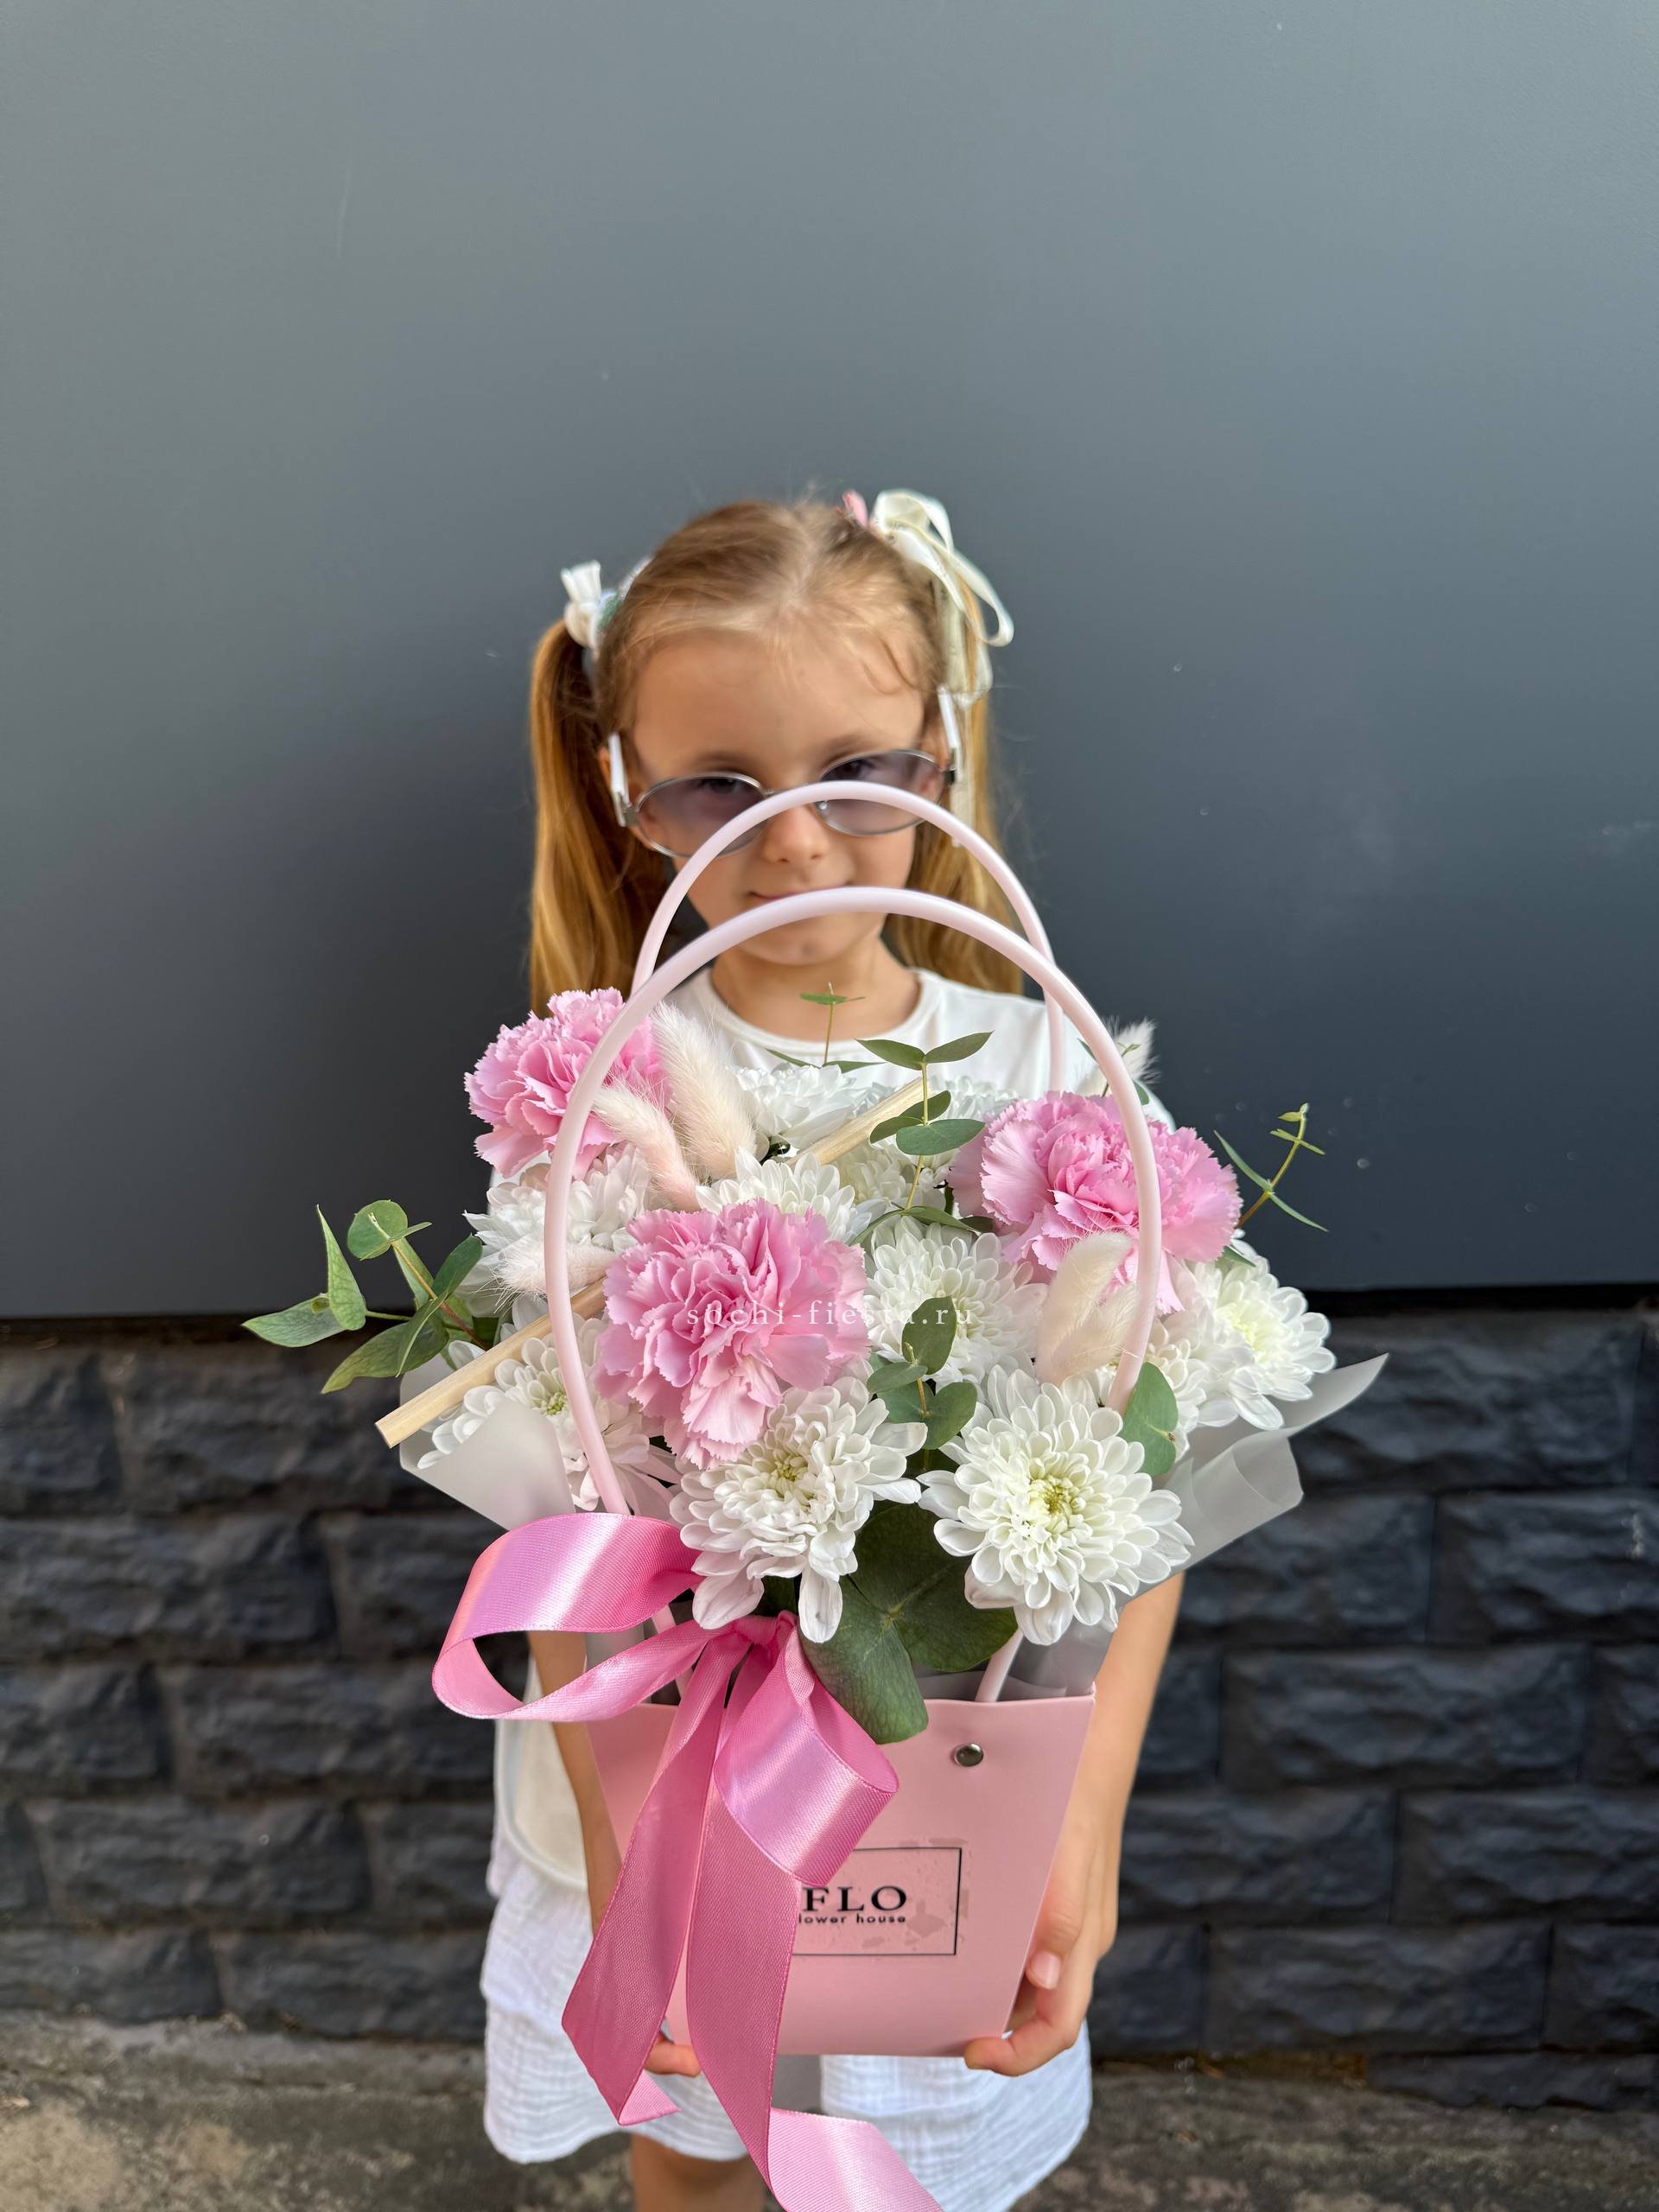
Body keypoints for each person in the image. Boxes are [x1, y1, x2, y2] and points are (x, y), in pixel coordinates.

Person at [475, 488, 1185, 2212]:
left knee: (926, 2159)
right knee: (696, 2160)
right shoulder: (609, 1093)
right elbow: (563, 1506)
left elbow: (1142, 1490)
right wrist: (632, 1855)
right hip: (663, 1793)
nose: (793, 842)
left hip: (946, 1801)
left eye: (858, 771)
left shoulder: (1044, 1068)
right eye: (720, 784)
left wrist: (1084, 1819)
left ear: (944, 751)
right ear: (627, 784)